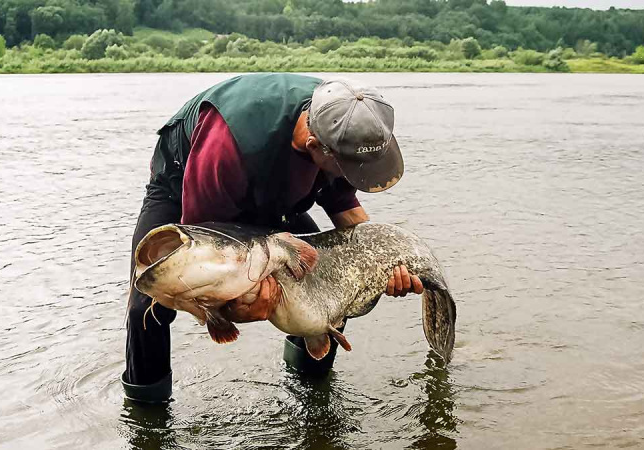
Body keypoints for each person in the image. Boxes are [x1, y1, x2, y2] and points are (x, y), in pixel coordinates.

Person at [122, 73, 424, 403]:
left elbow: (347, 215)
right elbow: (205, 245)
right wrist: (235, 307)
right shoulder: (226, 146)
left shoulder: (343, 120)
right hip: (188, 184)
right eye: (349, 169)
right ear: (314, 146)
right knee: (145, 305)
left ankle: (309, 389)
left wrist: (383, 264)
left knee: (333, 277)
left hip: (276, 190)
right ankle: (146, 410)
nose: (355, 177)